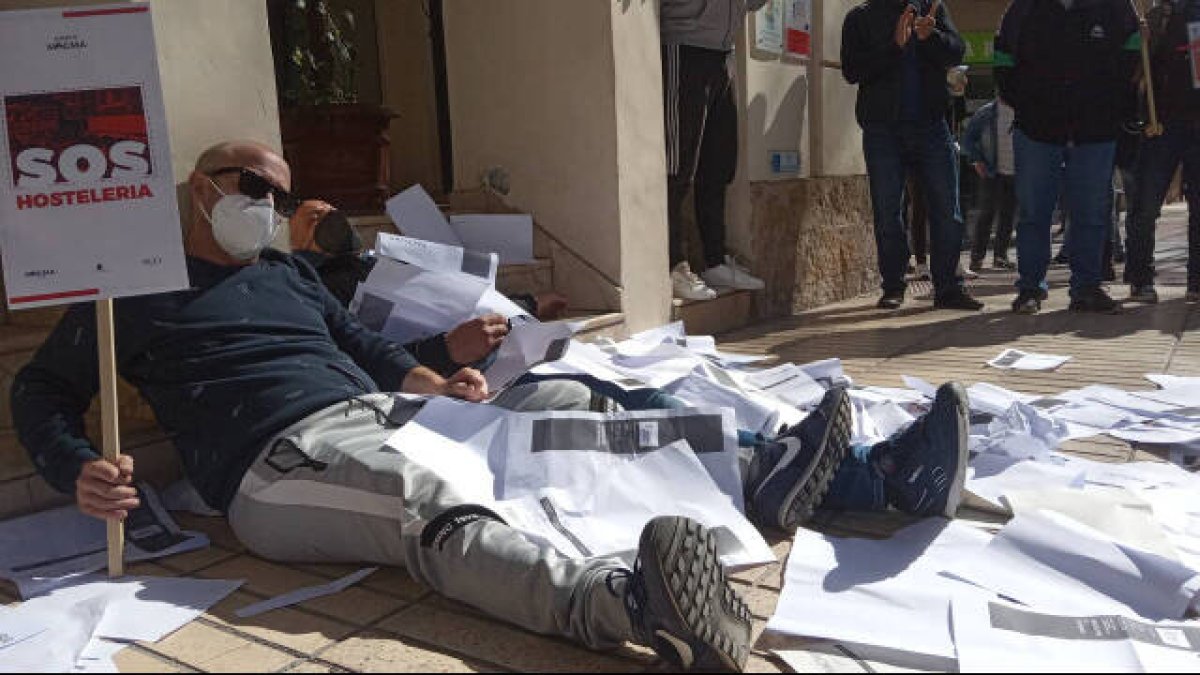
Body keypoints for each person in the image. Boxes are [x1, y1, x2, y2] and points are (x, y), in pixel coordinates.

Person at [11, 140, 974, 672]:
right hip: (277, 464)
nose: (264, 202)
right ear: (199, 187)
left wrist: (443, 374)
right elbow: (40, 389)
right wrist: (74, 467)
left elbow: (371, 350)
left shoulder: (288, 274)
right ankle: (628, 605)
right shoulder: (130, 288)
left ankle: (845, 473)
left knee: (570, 398)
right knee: (421, 500)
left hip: (382, 411)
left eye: (278, 191)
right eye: (250, 186)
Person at [288, 199, 566, 376]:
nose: (327, 217)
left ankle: (524, 308)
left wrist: (526, 304)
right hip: (437, 362)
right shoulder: (315, 285)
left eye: (331, 211)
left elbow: (449, 288)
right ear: (295, 241)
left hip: (486, 331)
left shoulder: (377, 256)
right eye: (313, 218)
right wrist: (445, 352)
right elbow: (361, 352)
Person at [995, 0, 1141, 314]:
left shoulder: (1115, 7)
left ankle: (1087, 287)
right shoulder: (1024, 8)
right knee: (1034, 214)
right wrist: (1025, 103)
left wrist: (1113, 103)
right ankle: (1030, 288)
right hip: (1037, 129)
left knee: (1091, 212)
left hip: (1096, 129)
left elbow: (1133, 51)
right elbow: (1003, 56)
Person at [841, 0, 983, 312]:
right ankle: (893, 286)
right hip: (882, 129)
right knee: (888, 211)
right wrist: (894, 47)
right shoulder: (860, 17)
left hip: (932, 126)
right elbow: (851, 71)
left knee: (947, 209)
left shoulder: (932, 9)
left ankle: (948, 288)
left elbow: (957, 52)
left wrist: (931, 37)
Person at [661, 0, 767, 301]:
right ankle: (673, 264)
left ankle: (714, 260)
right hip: (684, 47)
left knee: (718, 165)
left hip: (723, 55)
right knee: (678, 164)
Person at [1123, 0, 1200, 304]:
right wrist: (1140, 42)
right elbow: (1135, 73)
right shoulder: (1159, 16)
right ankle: (1141, 278)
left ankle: (1196, 280)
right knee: (1145, 206)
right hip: (1163, 123)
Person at [962, 97, 1018, 272]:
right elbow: (968, 139)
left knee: (1008, 216)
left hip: (1016, 172)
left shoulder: (1025, 109)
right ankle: (977, 258)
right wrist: (976, 160)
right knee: (986, 214)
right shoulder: (986, 113)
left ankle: (1000, 256)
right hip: (992, 172)